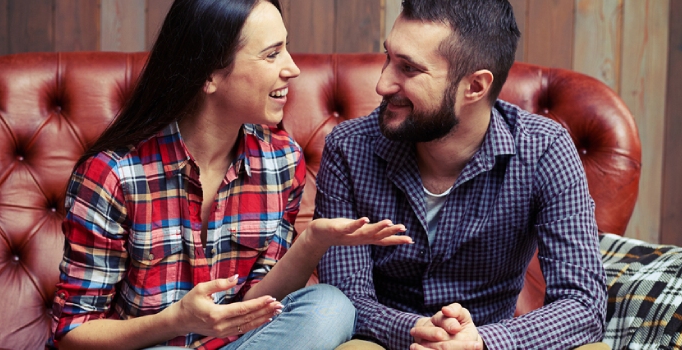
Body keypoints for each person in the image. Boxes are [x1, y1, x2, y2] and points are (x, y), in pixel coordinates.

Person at [49, 0, 414, 349]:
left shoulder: (283, 161)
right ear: (208, 75)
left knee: (331, 306)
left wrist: (311, 243)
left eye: (286, 49)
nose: (292, 68)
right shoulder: (111, 175)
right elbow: (73, 335)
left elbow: (254, 307)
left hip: (243, 343)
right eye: (271, 54)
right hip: (152, 345)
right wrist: (176, 320)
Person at [316, 0, 608, 349]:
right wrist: (420, 330)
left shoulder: (544, 149)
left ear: (475, 86)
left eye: (408, 69)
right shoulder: (349, 148)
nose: (382, 84)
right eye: (388, 58)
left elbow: (584, 305)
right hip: (386, 342)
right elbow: (346, 298)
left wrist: (480, 341)